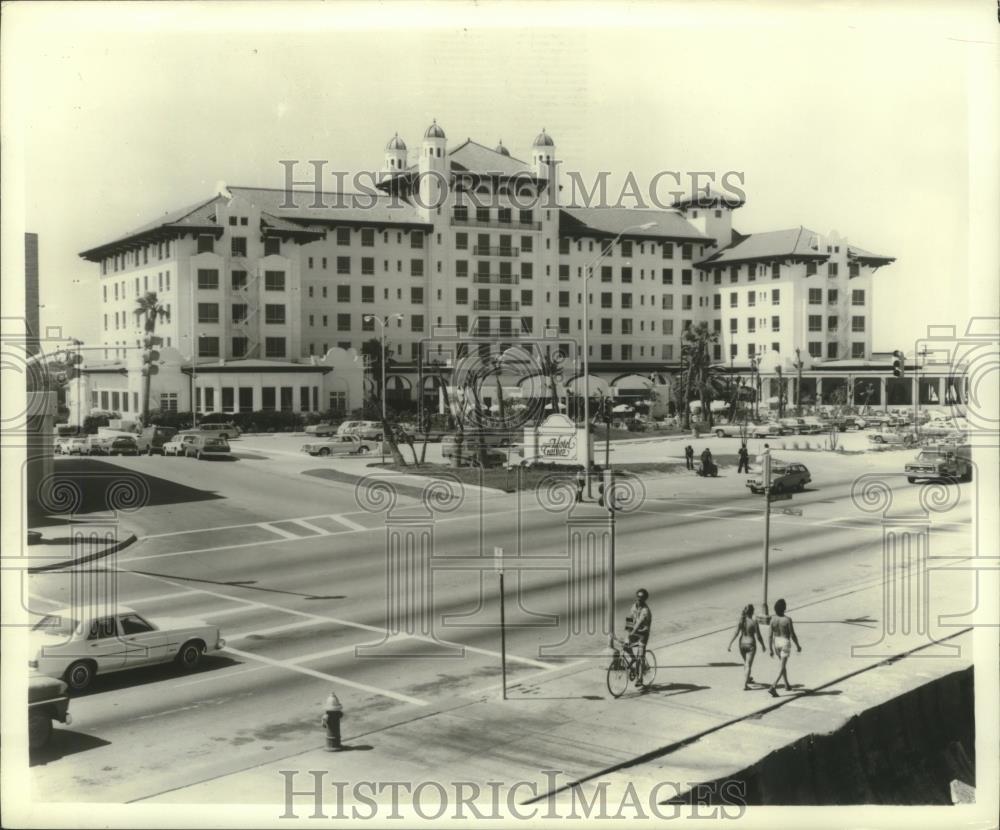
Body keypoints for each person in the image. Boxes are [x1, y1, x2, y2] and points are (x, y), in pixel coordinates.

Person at [767, 598, 802, 697]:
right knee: (782, 666)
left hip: (776, 642)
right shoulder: (787, 620)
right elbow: (792, 635)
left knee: (782, 665)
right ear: (784, 608)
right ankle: (773, 686)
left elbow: (769, 635)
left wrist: (770, 649)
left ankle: (786, 685)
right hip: (785, 642)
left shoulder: (772, 619)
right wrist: (798, 645)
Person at [727, 603, 766, 690]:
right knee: (748, 664)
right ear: (752, 612)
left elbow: (736, 633)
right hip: (751, 645)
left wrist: (730, 644)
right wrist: (763, 645)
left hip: (741, 645)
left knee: (746, 662)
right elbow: (759, 636)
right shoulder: (754, 622)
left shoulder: (741, 620)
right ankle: (745, 685)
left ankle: (748, 678)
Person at [624, 588, 652, 686]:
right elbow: (630, 619)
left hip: (643, 634)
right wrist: (628, 634)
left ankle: (640, 678)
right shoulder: (634, 606)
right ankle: (633, 659)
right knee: (625, 646)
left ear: (644, 599)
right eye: (638, 597)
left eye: (641, 598)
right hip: (635, 633)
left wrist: (632, 632)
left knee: (640, 656)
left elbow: (639, 623)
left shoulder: (645, 611)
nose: (638, 599)